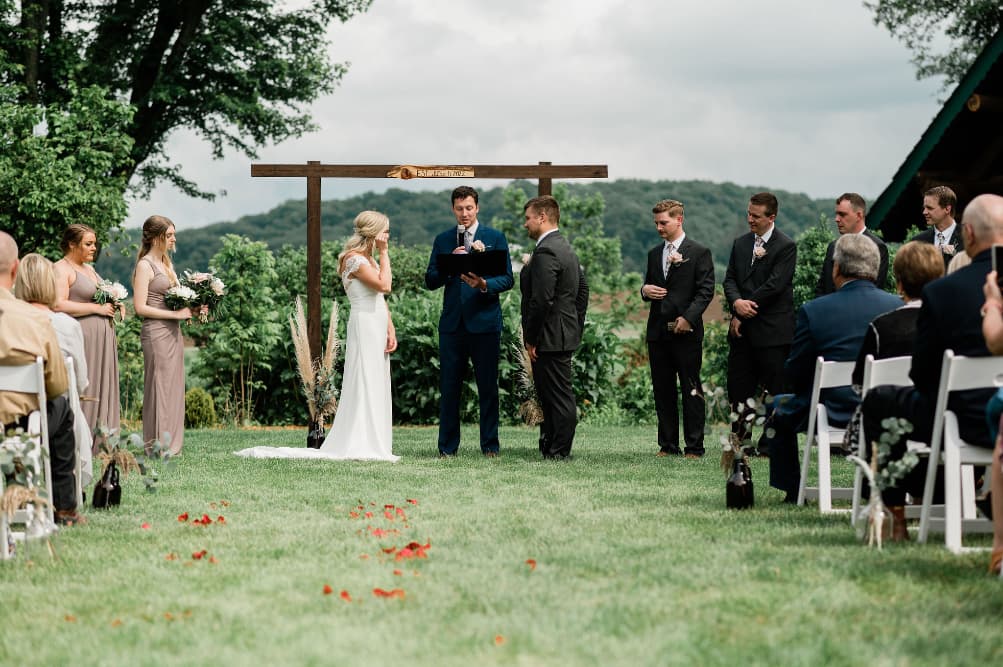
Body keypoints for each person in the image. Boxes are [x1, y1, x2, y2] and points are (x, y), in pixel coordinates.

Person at [862, 193, 1003, 541]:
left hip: (963, 418)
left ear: (967, 234)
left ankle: (896, 518)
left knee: (879, 400)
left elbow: (922, 374)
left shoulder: (943, 292)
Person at [236, 211, 399, 461]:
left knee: (376, 378)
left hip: (377, 322)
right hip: (364, 324)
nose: (387, 236)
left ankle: (375, 439)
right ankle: (361, 440)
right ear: (373, 232)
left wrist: (390, 327)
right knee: (364, 377)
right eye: (384, 231)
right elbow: (384, 285)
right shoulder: (354, 260)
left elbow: (380, 298)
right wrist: (385, 252)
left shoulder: (369, 259)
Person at [760, 234, 902, 502]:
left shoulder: (815, 310)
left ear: (836, 269)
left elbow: (795, 371)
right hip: (883, 410)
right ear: (874, 268)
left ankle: (792, 488)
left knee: (776, 405)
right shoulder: (897, 306)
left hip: (831, 409)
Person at [0, 232, 83, 526]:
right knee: (62, 409)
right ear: (14, 270)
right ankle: (65, 509)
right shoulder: (35, 320)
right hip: (21, 424)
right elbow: (57, 384)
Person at [424, 186, 514, 458]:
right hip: (452, 325)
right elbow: (430, 280)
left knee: (487, 387)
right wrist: (449, 263)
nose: (464, 213)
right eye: (459, 208)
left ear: (477, 208)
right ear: (453, 209)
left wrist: (484, 283)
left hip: (485, 322)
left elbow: (508, 278)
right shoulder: (442, 240)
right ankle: (447, 448)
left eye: (469, 208)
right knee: (449, 388)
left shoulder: (494, 238)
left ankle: (490, 446)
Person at [722, 192, 796, 451]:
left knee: (775, 389)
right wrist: (735, 303)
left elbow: (775, 285)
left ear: (771, 217)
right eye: (748, 214)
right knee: (739, 386)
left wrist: (744, 308)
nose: (750, 219)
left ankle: (770, 444)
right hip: (742, 331)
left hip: (773, 330)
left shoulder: (786, 246)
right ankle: (740, 441)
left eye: (756, 216)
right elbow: (729, 279)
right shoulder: (741, 243)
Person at [641, 199, 715, 458]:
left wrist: (689, 318)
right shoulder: (653, 254)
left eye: (664, 222)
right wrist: (644, 290)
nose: (659, 227)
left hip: (686, 333)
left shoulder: (699, 252)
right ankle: (668, 445)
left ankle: (694, 446)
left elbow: (706, 291)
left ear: (679, 219)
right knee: (663, 390)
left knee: (691, 389)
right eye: (657, 223)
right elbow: (649, 285)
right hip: (658, 332)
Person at [14, 253, 94, 488]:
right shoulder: (67, 325)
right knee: (68, 408)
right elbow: (79, 383)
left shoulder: (7, 322)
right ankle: (67, 495)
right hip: (55, 414)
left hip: (12, 412)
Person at [520, 195, 589, 460]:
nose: (525, 224)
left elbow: (542, 299)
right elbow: (582, 290)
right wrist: (574, 323)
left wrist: (532, 338)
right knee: (551, 395)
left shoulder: (547, 250)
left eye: (528, 218)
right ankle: (552, 447)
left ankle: (560, 451)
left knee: (559, 396)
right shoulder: (564, 247)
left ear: (542, 217)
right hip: (560, 332)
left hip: (549, 336)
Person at [53, 223, 123, 446]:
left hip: (103, 338)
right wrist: (97, 309)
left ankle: (103, 439)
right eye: (88, 244)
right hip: (83, 337)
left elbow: (96, 296)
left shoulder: (89, 269)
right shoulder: (61, 269)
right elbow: (58, 304)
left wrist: (114, 302)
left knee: (102, 384)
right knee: (87, 385)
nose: (94, 248)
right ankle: (82, 442)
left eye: (95, 243)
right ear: (72, 244)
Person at [132, 216, 193, 456]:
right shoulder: (145, 266)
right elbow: (140, 308)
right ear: (157, 237)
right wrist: (177, 315)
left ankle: (172, 444)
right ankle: (157, 444)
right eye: (169, 235)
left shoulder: (167, 264)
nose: (173, 239)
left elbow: (177, 298)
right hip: (156, 333)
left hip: (172, 333)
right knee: (158, 386)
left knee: (173, 387)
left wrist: (194, 307)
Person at [850, 241, 944, 386]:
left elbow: (859, 384)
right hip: (935, 407)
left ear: (899, 285)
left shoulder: (880, 328)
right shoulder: (950, 325)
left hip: (889, 407)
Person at [815, 193, 889, 296]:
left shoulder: (877, 246)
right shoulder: (833, 246)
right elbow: (822, 287)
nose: (836, 219)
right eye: (836, 214)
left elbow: (875, 289)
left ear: (859, 215)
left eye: (842, 214)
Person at [912, 185, 964, 268]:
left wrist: (954, 253)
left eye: (929, 208)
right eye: (924, 208)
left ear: (947, 209)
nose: (924, 212)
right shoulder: (917, 241)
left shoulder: (968, 236)